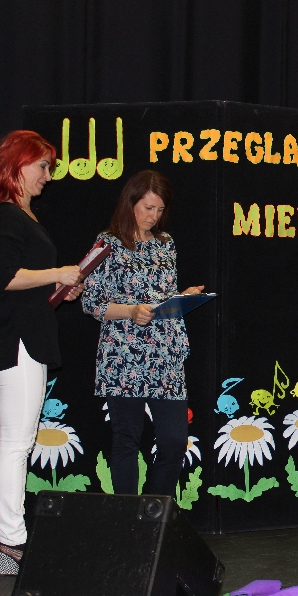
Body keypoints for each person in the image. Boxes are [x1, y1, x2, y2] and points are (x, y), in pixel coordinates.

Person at [0, 130, 84, 575]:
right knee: (16, 443)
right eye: (42, 166)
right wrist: (57, 273)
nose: (48, 175)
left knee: (17, 442)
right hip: (17, 341)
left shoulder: (21, 215)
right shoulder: (8, 214)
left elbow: (24, 283)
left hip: (27, 337)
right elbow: (4, 277)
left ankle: (12, 538)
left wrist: (60, 287)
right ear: (18, 164)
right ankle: (11, 539)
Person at [82, 170, 203, 499]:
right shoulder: (106, 244)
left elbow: (163, 296)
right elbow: (91, 303)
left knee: (174, 441)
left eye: (160, 210)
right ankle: (127, 517)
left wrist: (183, 299)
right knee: (126, 439)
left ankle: (152, 511)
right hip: (123, 355)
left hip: (166, 353)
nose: (154, 216)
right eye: (148, 208)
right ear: (130, 203)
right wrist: (131, 311)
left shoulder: (166, 245)